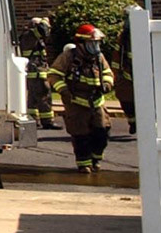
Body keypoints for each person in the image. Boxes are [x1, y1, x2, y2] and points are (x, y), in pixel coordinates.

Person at [48, 23, 115, 173]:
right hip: (76, 102)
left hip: (96, 101)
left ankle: (96, 159)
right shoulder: (68, 57)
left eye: (96, 43)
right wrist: (63, 90)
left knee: (102, 132)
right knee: (81, 136)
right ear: (81, 43)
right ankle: (84, 164)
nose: (95, 47)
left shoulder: (99, 57)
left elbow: (107, 73)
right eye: (92, 43)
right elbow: (53, 74)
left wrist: (106, 84)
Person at [19, 16, 56, 129]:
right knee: (44, 96)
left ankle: (33, 119)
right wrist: (45, 19)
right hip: (37, 73)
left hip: (33, 73)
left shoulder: (29, 37)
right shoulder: (30, 35)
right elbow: (42, 29)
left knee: (33, 98)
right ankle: (47, 121)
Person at [116, 24, 137, 137]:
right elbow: (117, 56)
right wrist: (116, 74)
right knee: (126, 101)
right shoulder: (123, 38)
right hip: (126, 76)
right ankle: (132, 122)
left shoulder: (149, 35)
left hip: (145, 75)